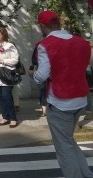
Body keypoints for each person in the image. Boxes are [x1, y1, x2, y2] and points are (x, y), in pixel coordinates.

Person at [31, 10, 93, 178]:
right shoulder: (82, 42)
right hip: (80, 98)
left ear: (42, 26)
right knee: (68, 140)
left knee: (64, 147)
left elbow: (41, 76)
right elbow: (87, 66)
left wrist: (34, 74)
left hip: (60, 100)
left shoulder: (46, 45)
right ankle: (86, 174)